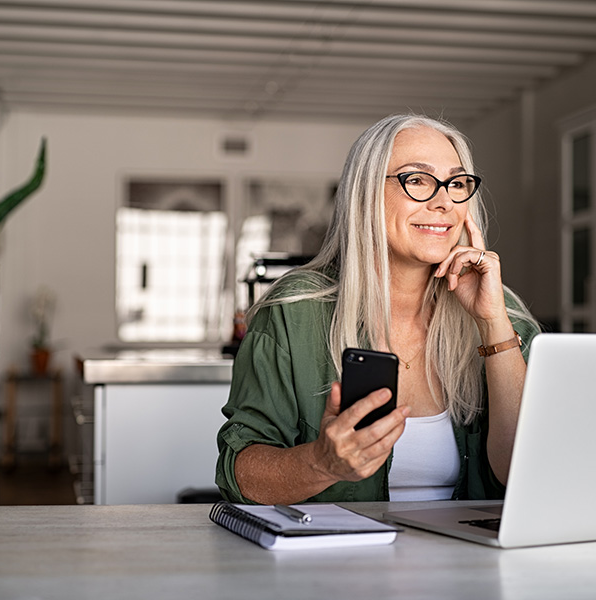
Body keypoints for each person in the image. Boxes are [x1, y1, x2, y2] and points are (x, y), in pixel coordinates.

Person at [216, 114, 540, 505]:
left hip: (472, 562)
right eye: (417, 180)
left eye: (456, 184)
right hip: (338, 561)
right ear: (366, 194)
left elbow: (528, 472)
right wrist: (321, 463)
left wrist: (492, 324)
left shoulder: (503, 315)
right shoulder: (295, 311)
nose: (443, 202)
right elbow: (240, 474)